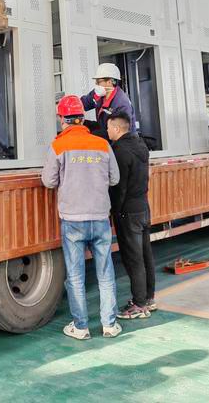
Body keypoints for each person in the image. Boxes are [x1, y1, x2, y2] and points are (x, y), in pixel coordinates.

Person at [41, 95, 122, 340]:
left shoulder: (59, 146)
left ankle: (81, 327)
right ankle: (109, 325)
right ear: (82, 119)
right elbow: (115, 179)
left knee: (75, 276)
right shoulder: (102, 144)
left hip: (73, 220)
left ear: (62, 120)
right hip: (100, 217)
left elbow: (48, 181)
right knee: (105, 273)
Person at [108, 110, 156, 320]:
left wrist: (114, 211)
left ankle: (138, 304)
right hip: (143, 206)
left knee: (133, 258)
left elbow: (119, 187)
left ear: (117, 128)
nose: (107, 131)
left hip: (128, 211)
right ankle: (148, 298)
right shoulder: (141, 146)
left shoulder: (119, 151)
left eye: (109, 127)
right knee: (146, 255)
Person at [80, 62, 137, 136]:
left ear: (109, 82)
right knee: (84, 124)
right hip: (105, 129)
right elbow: (83, 104)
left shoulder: (121, 104)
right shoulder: (99, 93)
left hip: (120, 139)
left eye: (98, 81)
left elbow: (118, 134)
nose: (96, 84)